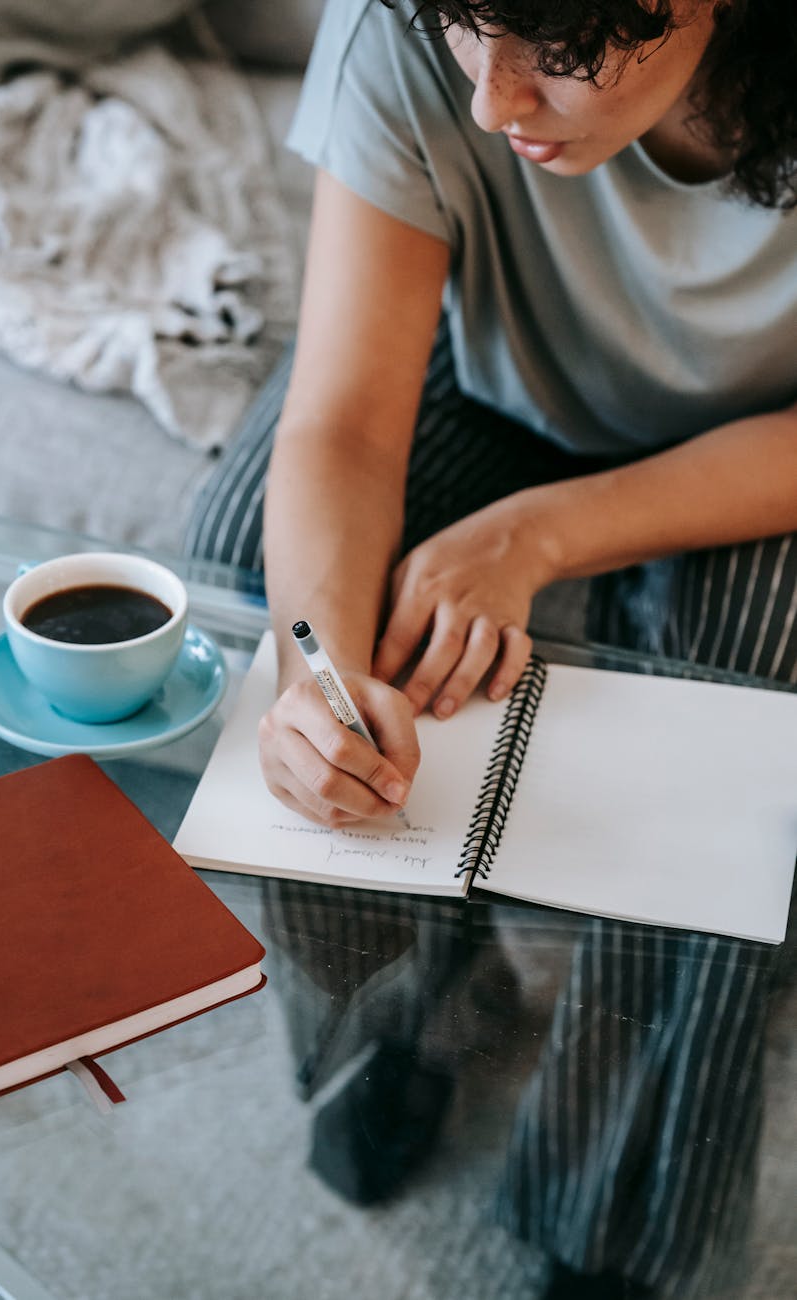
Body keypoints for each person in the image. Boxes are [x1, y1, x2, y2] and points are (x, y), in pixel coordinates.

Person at [185, 1, 796, 1294]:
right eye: (474, 36)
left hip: (761, 451)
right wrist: (317, 679)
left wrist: (543, 535)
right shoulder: (405, 30)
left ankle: (613, 1212)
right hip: (503, 375)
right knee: (258, 553)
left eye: (558, 59)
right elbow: (343, 420)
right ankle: (385, 1017)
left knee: (740, 690)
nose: (492, 104)